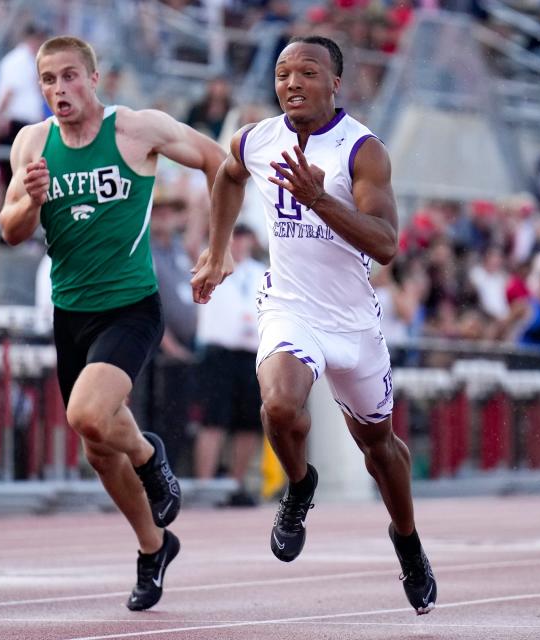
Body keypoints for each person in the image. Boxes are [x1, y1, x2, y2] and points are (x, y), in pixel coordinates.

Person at [190, 36, 437, 615]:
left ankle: (408, 542)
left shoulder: (362, 151)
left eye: (307, 72)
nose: (292, 82)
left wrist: (319, 199)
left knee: (379, 449)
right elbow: (228, 175)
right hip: (290, 307)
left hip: (353, 322)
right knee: (278, 406)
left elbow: (386, 245)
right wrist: (217, 250)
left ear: (334, 84)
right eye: (282, 73)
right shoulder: (257, 139)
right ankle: (300, 485)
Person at [0, 36, 225, 612]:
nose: (59, 90)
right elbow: (10, 229)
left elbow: (217, 161)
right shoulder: (31, 142)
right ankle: (154, 547)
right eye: (48, 80)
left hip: (130, 305)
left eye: (70, 77)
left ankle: (151, 456)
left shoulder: (135, 130)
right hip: (70, 312)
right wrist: (28, 200)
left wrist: (215, 248)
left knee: (87, 414)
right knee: (98, 448)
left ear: (94, 78)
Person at [193, 223, 267, 506]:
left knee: (248, 423)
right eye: (233, 236)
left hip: (250, 353)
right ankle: (205, 485)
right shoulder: (210, 264)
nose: (238, 243)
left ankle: (235, 484)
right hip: (218, 352)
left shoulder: (260, 273)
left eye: (242, 237)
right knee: (213, 420)